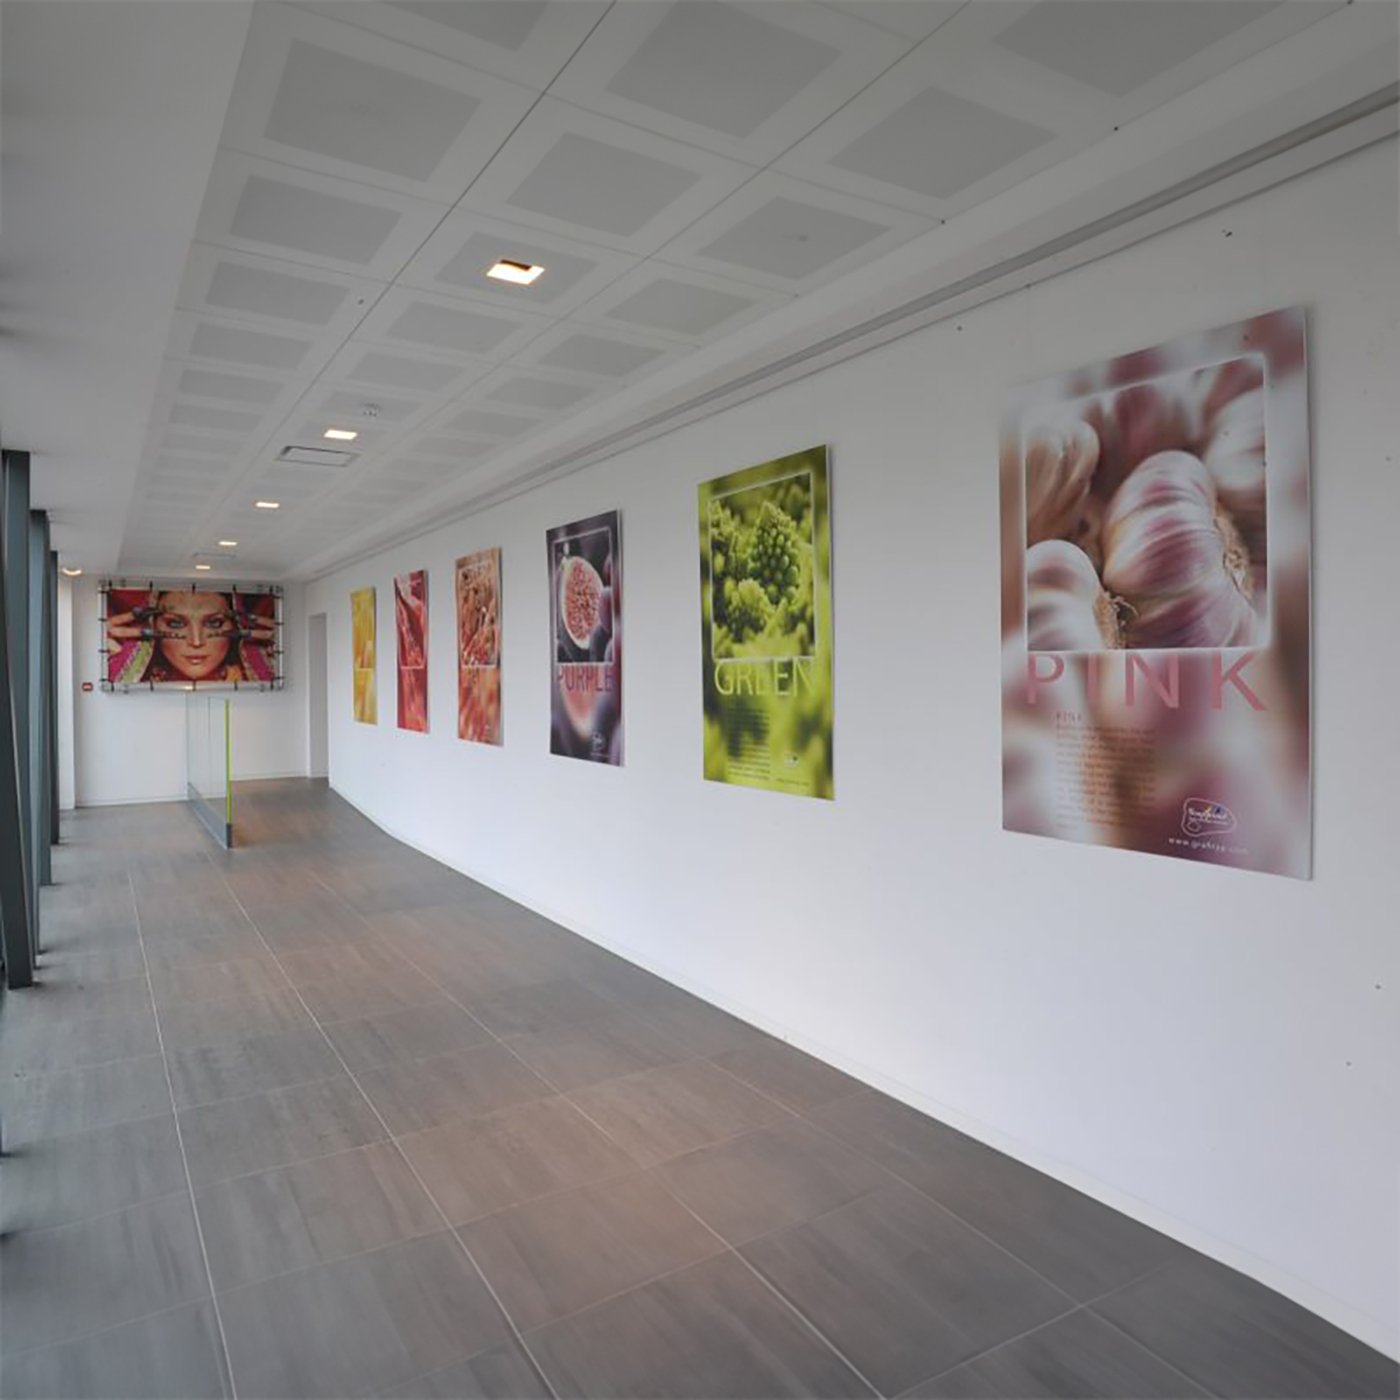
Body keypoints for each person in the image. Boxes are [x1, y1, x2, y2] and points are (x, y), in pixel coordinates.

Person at [106, 587, 276, 684]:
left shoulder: (265, 673)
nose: (196, 641)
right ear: (151, 624)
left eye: (214, 623)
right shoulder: (121, 673)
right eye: (175, 624)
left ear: (236, 625)